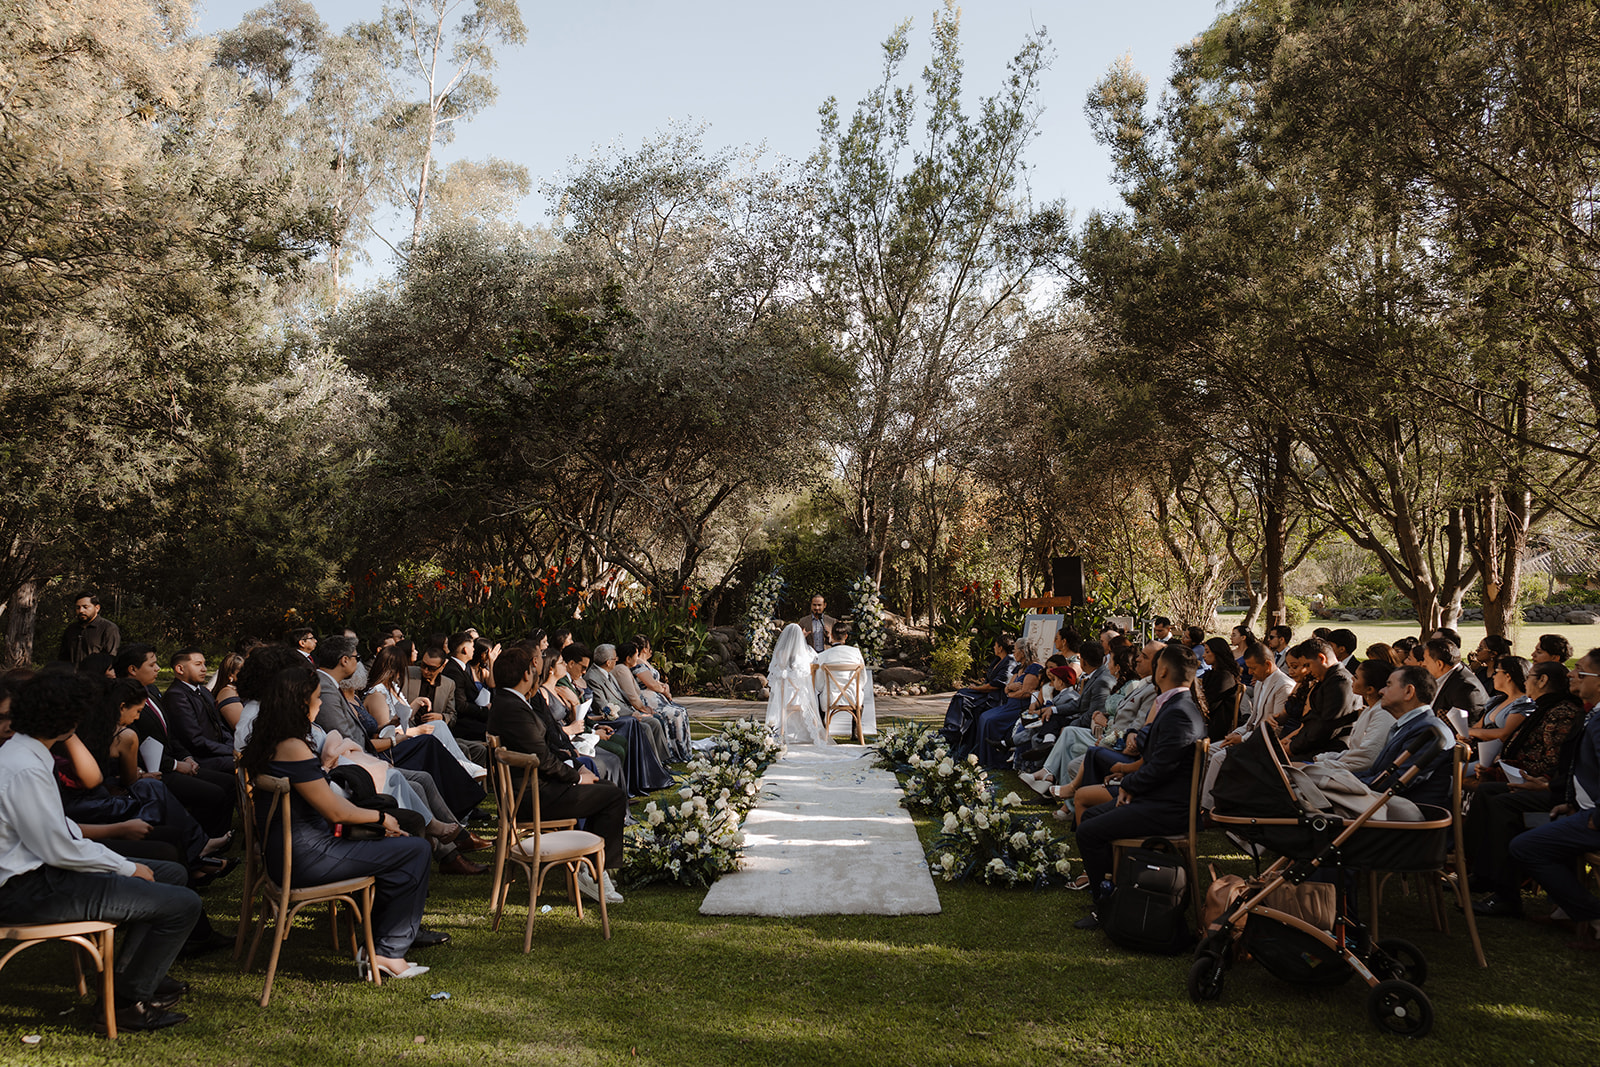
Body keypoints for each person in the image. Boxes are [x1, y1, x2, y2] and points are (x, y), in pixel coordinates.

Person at [0, 672, 201, 1031]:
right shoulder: (24, 766)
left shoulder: (28, 752)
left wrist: (120, 861)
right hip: (26, 889)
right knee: (184, 904)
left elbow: (57, 830)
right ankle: (125, 1004)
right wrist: (125, 867)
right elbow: (57, 848)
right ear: (68, 721)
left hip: (40, 873)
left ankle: (124, 980)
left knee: (172, 873)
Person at [239, 665, 434, 980]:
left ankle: (380, 943)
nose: (319, 706)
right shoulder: (291, 746)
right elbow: (336, 812)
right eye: (316, 699)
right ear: (300, 703)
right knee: (416, 850)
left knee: (402, 843)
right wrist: (382, 818)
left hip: (294, 847)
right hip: (308, 853)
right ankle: (386, 952)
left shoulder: (269, 737)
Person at [1073, 643, 1207, 928]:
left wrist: (1129, 785)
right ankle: (1115, 891)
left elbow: (1160, 767)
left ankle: (1106, 904)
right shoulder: (1174, 705)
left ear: (1164, 671)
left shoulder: (1179, 711)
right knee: (1093, 816)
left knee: (1088, 832)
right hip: (1158, 798)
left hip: (1166, 808)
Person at [485, 646, 628, 904]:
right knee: (613, 796)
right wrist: (576, 777)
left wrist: (576, 766)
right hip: (533, 798)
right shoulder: (513, 709)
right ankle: (596, 872)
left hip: (534, 790)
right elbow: (542, 759)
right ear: (525, 675)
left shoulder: (508, 702)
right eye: (533, 669)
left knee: (604, 788)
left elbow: (545, 751)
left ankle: (592, 866)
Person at [1467, 660, 1583, 918]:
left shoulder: (1561, 712)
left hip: (1553, 786)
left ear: (1542, 681)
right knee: (1487, 792)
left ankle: (1506, 893)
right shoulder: (1544, 708)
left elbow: (1554, 760)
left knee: (1502, 805)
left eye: (1530, 676)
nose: (1526, 681)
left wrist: (1527, 775)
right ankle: (1483, 873)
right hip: (1534, 778)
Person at [1356, 666, 1457, 809]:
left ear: (1409, 691)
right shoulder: (1415, 725)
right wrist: (1342, 778)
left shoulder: (1429, 731)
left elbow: (1397, 782)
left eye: (1389, 685)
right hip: (1388, 805)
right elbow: (1378, 773)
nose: (1381, 691)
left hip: (1409, 816)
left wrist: (1346, 784)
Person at [1280, 638, 1357, 759]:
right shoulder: (1327, 679)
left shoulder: (1340, 682)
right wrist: (1292, 741)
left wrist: (1293, 747)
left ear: (1322, 658)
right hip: (1311, 744)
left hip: (1329, 750)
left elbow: (1327, 727)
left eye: (1308, 665)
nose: (1308, 671)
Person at [164, 648, 234, 773]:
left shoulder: (203, 691)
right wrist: (232, 751)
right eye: (198, 664)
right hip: (200, 758)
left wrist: (233, 746)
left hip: (220, 751)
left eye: (204, 664)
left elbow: (220, 726)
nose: (204, 669)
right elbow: (195, 740)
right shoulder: (176, 695)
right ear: (180, 669)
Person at [972, 638, 1041, 766]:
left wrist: (1010, 691)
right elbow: (1006, 689)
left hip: (1020, 707)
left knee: (991, 720)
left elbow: (1025, 693)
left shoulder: (1034, 668)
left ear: (1023, 651)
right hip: (1010, 704)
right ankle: (982, 757)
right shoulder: (1019, 668)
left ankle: (995, 759)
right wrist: (1010, 689)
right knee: (984, 716)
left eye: (1015, 650)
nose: (1013, 653)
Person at [940, 636, 1014, 749]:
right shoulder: (997, 660)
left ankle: (953, 731)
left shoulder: (1009, 662)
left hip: (995, 698)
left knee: (963, 698)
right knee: (960, 694)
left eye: (995, 645)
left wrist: (976, 689)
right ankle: (954, 728)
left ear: (1000, 647)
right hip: (986, 693)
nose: (993, 647)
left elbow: (995, 685)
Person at [765, 623, 830, 746]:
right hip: (802, 697)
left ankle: (781, 732)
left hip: (785, 698)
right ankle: (814, 735)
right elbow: (816, 660)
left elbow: (776, 676)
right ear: (800, 637)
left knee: (783, 688)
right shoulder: (806, 654)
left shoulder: (779, 654)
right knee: (809, 692)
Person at [630, 635, 691, 762]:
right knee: (675, 713)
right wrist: (664, 690)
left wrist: (665, 687)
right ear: (644, 648)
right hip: (648, 698)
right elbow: (651, 684)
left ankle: (683, 750)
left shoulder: (645, 663)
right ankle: (672, 751)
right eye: (648, 646)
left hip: (656, 696)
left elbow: (655, 682)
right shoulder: (638, 664)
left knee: (682, 710)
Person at [1469, 655, 1535, 769]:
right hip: (1480, 756)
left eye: (1496, 672)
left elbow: (1505, 734)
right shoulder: (1497, 701)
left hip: (1501, 762)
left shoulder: (1523, 703)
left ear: (1508, 676)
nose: (1493, 676)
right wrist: (1466, 735)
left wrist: (1470, 732)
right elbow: (1478, 727)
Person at [814, 621, 871, 738]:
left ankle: (823, 731)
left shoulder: (823, 655)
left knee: (817, 696)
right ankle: (855, 732)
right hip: (853, 698)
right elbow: (863, 680)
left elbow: (819, 684)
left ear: (832, 636)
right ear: (846, 636)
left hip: (830, 699)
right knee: (860, 696)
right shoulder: (855, 653)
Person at [1424, 637, 1488, 725]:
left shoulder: (1465, 688)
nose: (1423, 664)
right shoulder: (1446, 677)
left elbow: (1465, 728)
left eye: (1426, 661)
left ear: (1439, 664)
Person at [442, 631, 493, 742]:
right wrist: (484, 710)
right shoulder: (453, 671)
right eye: (472, 647)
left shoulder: (461, 668)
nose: (474, 650)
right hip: (464, 725)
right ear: (465, 650)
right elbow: (461, 705)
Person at [58, 591, 121, 666]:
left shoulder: (108, 628)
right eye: (78, 607)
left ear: (97, 608)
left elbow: (111, 658)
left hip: (96, 677)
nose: (81, 611)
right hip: (72, 676)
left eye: (85, 607)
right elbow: (63, 658)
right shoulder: (71, 629)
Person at [1200, 637, 1241, 742]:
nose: (1204, 655)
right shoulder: (1211, 673)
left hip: (1216, 724)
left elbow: (1210, 703)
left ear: (1217, 653)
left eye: (1207, 652)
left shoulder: (1225, 677)